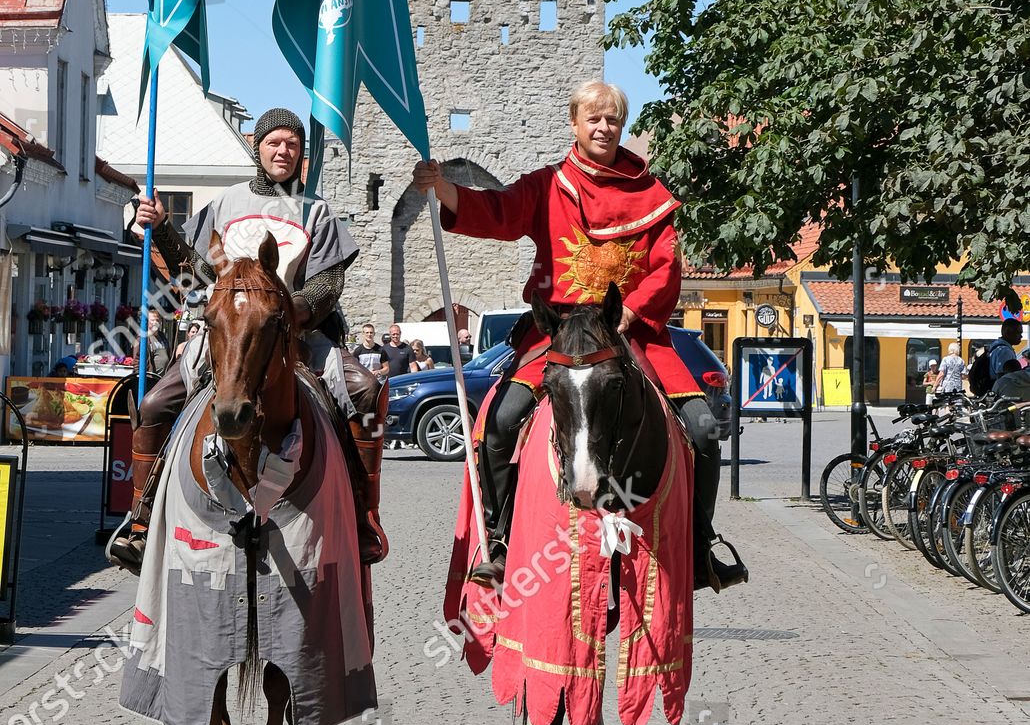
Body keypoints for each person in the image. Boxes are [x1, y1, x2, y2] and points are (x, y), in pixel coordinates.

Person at [412, 78, 747, 594]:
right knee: (498, 422)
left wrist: (632, 314)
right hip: (560, 333)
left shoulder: (650, 195)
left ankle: (701, 547)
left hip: (630, 331)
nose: (604, 127)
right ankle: (499, 544)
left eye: (612, 119)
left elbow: (665, 269)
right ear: (574, 123)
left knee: (702, 428)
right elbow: (497, 211)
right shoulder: (548, 185)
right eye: (593, 118)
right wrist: (443, 189)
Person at [108, 108, 375, 573]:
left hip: (296, 330)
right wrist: (162, 227)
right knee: (152, 405)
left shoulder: (318, 212)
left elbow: (327, 283)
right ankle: (141, 517)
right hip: (228, 332)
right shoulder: (226, 204)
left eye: (292, 144)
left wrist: (288, 314)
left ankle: (362, 512)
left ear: (301, 154)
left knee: (364, 391)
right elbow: (197, 271)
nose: (283, 151)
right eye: (274, 143)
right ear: (258, 148)